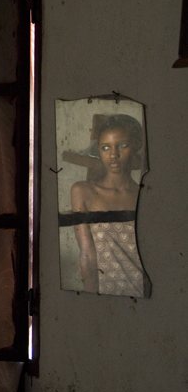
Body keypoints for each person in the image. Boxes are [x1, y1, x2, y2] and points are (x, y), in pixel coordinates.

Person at [70, 113, 147, 296]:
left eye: (122, 145)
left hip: (145, 295)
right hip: (107, 296)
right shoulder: (83, 192)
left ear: (135, 146)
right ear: (98, 149)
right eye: (105, 147)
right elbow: (87, 256)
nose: (114, 155)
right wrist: (92, 303)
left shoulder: (144, 195)